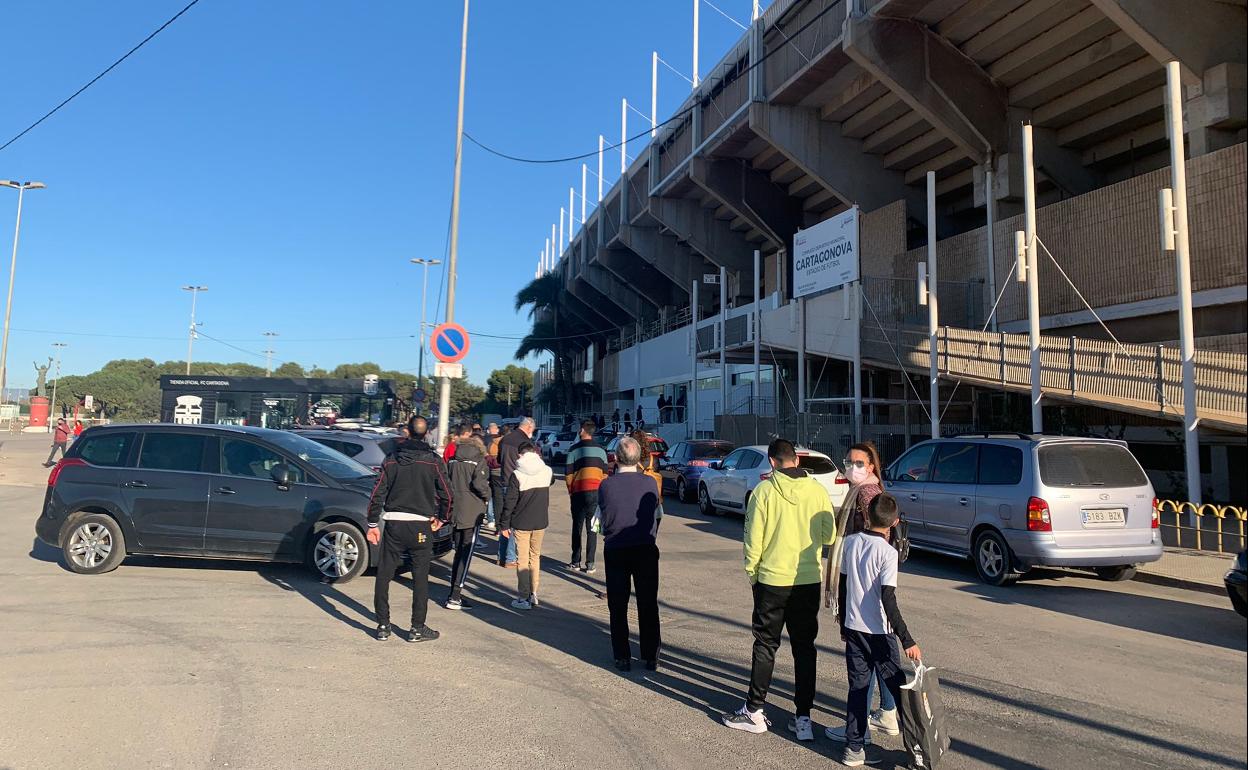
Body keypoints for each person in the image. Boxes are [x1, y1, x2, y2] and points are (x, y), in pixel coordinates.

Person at [722, 438, 836, 741]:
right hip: (808, 579)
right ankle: (803, 718)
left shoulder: (764, 492)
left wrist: (753, 576)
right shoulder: (817, 491)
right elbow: (829, 534)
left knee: (765, 645)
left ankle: (755, 710)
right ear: (796, 460)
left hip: (772, 580)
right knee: (804, 648)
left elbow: (752, 541)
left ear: (772, 462)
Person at [837, 493, 921, 767]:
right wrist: (907, 638)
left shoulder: (850, 543)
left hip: (853, 627)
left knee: (859, 688)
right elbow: (888, 598)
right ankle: (918, 749)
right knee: (899, 690)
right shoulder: (888, 553)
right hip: (880, 632)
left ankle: (854, 748)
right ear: (894, 522)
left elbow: (843, 584)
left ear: (866, 516)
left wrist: (843, 619)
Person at [824, 441, 896, 742]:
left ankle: (860, 728)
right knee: (880, 652)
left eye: (858, 463)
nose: (852, 467)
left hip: (865, 586)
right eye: (849, 461)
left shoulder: (867, 493)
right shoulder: (867, 490)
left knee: (862, 663)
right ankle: (889, 713)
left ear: (871, 466)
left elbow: (878, 537)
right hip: (876, 585)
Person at [366, 416, 451, 643]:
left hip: (394, 522)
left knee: (384, 574)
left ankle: (383, 624)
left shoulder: (392, 459)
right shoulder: (433, 461)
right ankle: (417, 627)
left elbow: (377, 492)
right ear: (425, 434)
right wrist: (443, 518)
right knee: (420, 576)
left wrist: (372, 523)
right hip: (420, 524)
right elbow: (447, 494)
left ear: (407, 432)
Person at [597, 436, 662, 672]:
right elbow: (656, 513)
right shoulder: (649, 483)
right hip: (645, 546)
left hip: (616, 546)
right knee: (647, 602)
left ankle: (622, 655)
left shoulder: (606, 485)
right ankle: (651, 655)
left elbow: (605, 513)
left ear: (615, 458)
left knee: (618, 603)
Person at [499, 441, 551, 610]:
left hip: (521, 521)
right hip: (541, 521)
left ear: (520, 455)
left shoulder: (517, 475)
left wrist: (504, 524)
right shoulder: (547, 471)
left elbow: (510, 502)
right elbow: (550, 483)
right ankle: (534, 593)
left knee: (522, 560)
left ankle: (523, 597)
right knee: (534, 557)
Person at [446, 425, 491, 610]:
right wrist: (488, 496)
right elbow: (479, 484)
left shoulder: (452, 461)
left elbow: (445, 483)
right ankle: (455, 595)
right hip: (472, 511)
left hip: (455, 510)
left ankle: (454, 591)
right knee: (466, 553)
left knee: (458, 552)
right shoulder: (478, 460)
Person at [565, 419, 608, 574]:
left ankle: (575, 561)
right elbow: (605, 474)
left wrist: (571, 490)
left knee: (577, 526)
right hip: (595, 493)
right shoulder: (602, 450)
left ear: (582, 430)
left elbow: (568, 474)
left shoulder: (573, 450)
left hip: (578, 492)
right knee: (593, 528)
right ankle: (590, 563)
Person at [482, 423, 502, 531]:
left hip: (490, 471)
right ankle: (497, 522)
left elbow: (486, 458)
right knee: (499, 498)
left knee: (491, 496)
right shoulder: (503, 442)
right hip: (500, 472)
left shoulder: (486, 441)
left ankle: (490, 518)